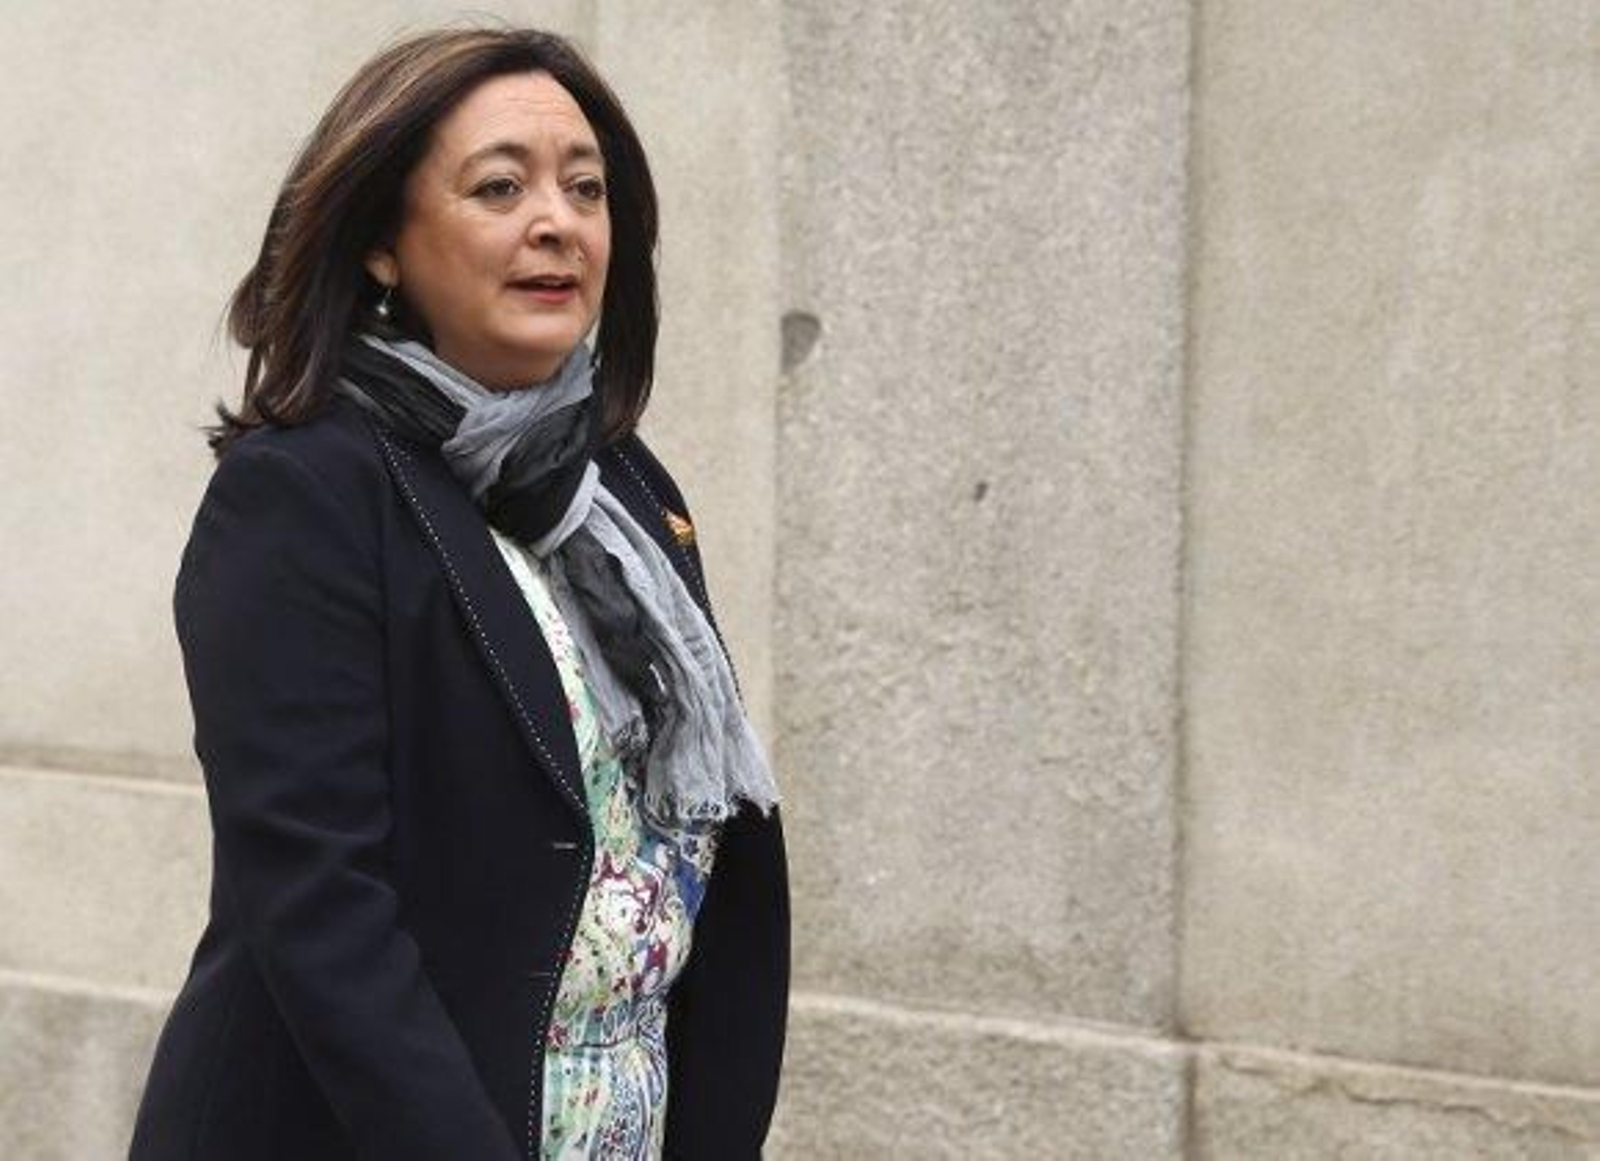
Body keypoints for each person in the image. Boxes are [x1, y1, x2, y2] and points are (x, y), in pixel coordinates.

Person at [129, 28, 789, 1161]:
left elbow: (706, 860)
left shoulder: (624, 492)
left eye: (586, 189)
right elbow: (320, 906)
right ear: (382, 242)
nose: (558, 222)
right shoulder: (303, 495)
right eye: (500, 187)